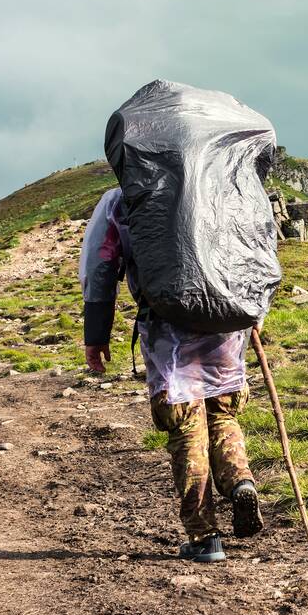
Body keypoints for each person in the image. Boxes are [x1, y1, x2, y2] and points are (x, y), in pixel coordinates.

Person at [80, 189, 264, 563]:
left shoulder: (122, 199)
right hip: (227, 322)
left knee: (185, 427)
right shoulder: (221, 185)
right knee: (223, 413)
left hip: (169, 331)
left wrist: (95, 334)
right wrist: (255, 312)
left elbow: (101, 267)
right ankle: (239, 480)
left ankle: (204, 536)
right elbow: (257, 248)